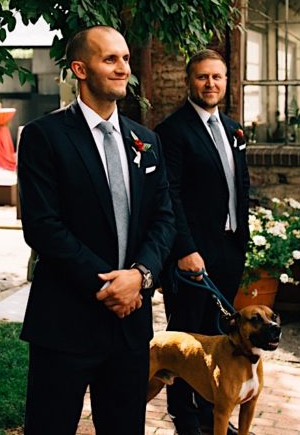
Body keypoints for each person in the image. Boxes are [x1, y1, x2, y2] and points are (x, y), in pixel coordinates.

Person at [17, 25, 176, 434]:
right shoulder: (43, 137)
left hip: (130, 327)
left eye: (125, 58)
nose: (124, 68)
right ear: (80, 69)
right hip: (65, 322)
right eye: (111, 59)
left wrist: (139, 278)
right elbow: (43, 227)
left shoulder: (146, 141)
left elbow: (164, 219)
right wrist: (111, 287)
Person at [155, 49, 251, 435]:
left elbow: (240, 186)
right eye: (202, 77)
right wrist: (184, 250)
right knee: (185, 338)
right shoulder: (172, 131)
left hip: (229, 248)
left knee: (220, 338)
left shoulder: (233, 129)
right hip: (192, 254)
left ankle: (214, 412)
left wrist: (243, 238)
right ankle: (183, 416)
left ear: (226, 82)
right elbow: (169, 196)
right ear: (188, 82)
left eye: (217, 77)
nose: (210, 84)